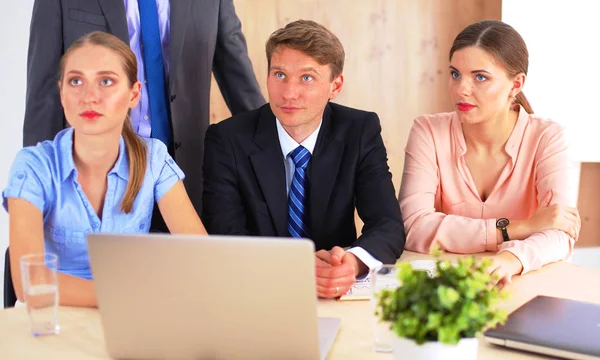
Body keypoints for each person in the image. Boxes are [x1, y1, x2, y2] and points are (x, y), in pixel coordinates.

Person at [202, 20, 405, 299]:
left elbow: (387, 224)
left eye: (306, 78)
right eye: (280, 75)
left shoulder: (359, 131)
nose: (289, 93)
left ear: (335, 85)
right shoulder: (226, 139)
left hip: (335, 291)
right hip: (257, 290)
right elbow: (224, 236)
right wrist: (294, 266)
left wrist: (353, 262)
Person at [3, 32, 207, 308]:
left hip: (132, 317)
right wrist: (127, 296)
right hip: (54, 319)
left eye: (106, 81)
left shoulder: (154, 158)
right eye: (76, 81)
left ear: (134, 94)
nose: (89, 97)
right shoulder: (34, 165)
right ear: (62, 92)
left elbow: (202, 256)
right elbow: (31, 284)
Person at [23, 0, 266, 216]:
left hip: (182, 171)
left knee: (184, 263)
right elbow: (44, 94)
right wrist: (42, 182)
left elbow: (238, 77)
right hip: (93, 176)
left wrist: (271, 155)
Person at [399, 20, 580, 287]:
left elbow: (560, 233)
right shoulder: (428, 131)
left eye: (480, 77)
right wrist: (515, 228)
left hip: (523, 283)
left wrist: (510, 259)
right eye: (455, 74)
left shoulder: (547, 137)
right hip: (445, 288)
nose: (462, 89)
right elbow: (413, 226)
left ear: (516, 84)